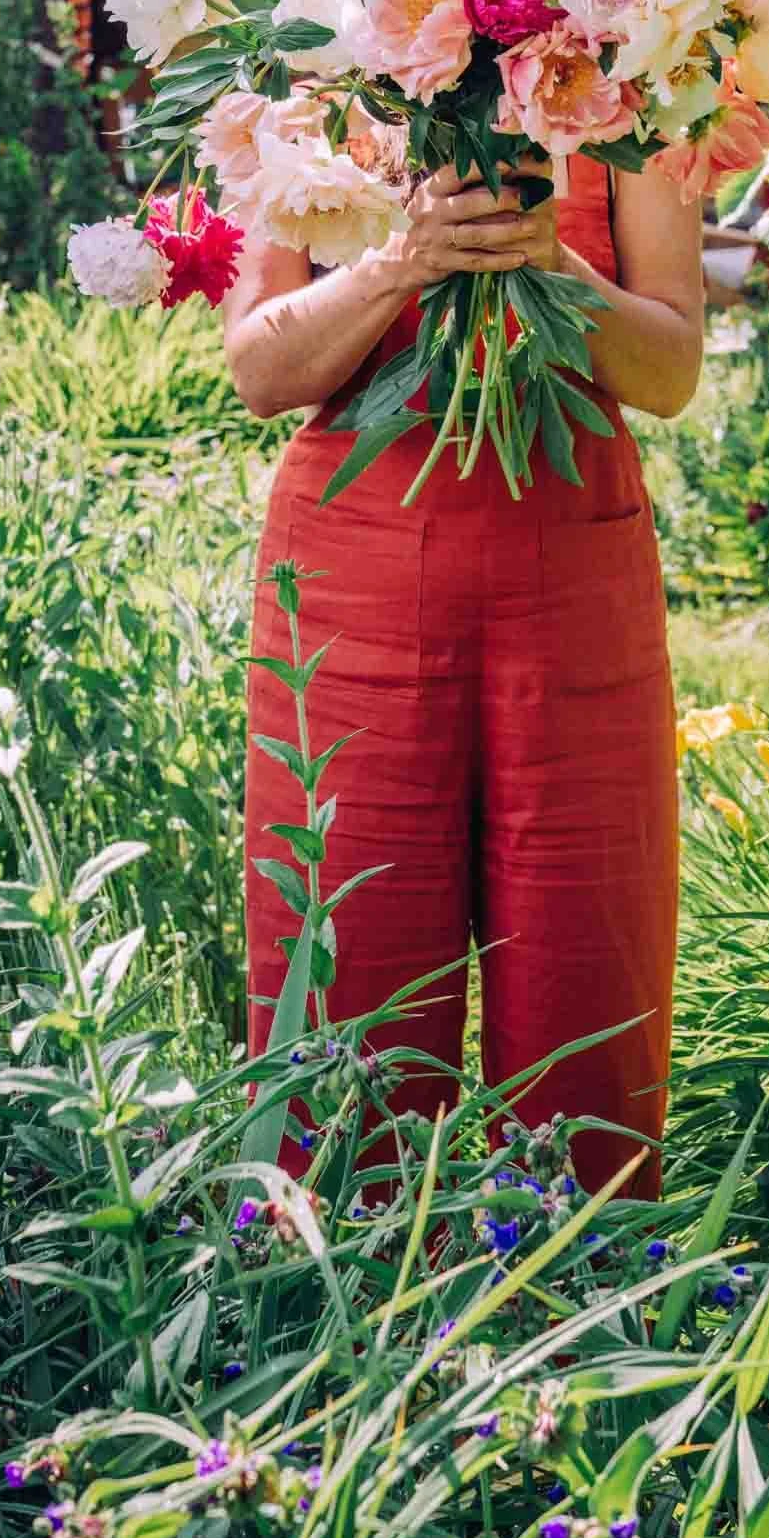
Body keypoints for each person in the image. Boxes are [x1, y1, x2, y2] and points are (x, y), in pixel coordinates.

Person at [223, 153, 704, 1199]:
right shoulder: (304, 76)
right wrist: (396, 264)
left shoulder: (629, 63)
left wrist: (555, 267)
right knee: (354, 957)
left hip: (568, 566)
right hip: (355, 577)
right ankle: (340, 1305)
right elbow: (259, 369)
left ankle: (585, 1303)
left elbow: (670, 370)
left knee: (585, 951)